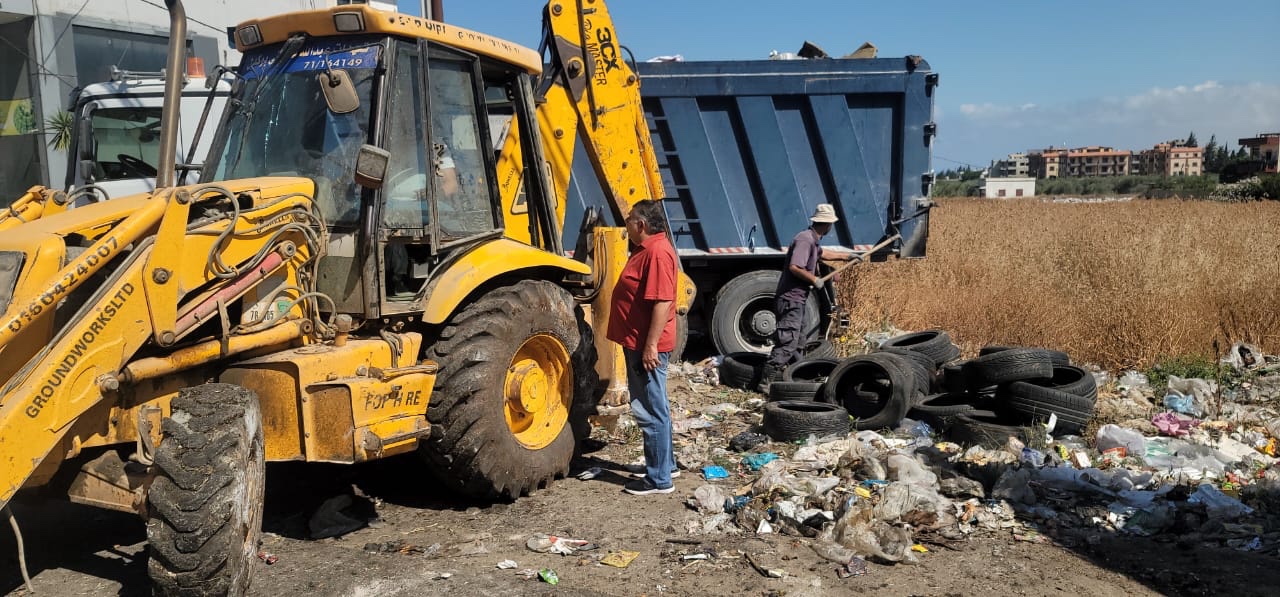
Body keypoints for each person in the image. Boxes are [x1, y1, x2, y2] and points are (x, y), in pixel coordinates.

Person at [607, 199, 680, 495]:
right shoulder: (648, 250)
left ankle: (659, 479)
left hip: (646, 345)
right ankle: (666, 465)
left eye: (629, 219)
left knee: (650, 408)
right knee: (655, 403)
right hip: (639, 341)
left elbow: (663, 302)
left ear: (642, 224)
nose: (626, 224)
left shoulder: (658, 253)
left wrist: (650, 346)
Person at [759, 204, 857, 391]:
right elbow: (795, 267)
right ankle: (765, 381)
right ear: (827, 224)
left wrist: (847, 256)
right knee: (788, 341)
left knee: (799, 340)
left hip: (798, 299)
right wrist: (814, 279)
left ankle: (796, 376)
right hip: (790, 299)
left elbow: (824, 254)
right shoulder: (805, 240)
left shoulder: (813, 240)